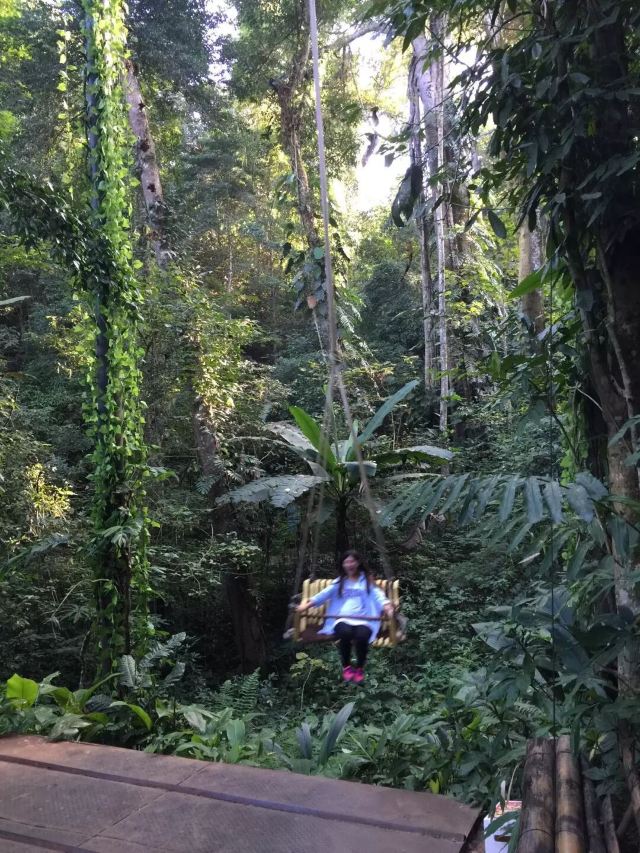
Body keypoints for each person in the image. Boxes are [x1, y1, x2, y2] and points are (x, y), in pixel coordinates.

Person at [296, 550, 394, 684]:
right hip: (341, 618)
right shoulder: (340, 582)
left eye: (352, 561)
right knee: (344, 632)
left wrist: (387, 605)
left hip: (365, 618)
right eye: (346, 562)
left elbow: (377, 595)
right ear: (343, 565)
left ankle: (359, 667)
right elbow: (323, 595)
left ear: (358, 563)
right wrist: (305, 606)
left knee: (362, 636)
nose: (349, 564)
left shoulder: (366, 581)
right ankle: (346, 666)